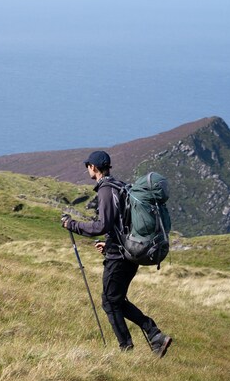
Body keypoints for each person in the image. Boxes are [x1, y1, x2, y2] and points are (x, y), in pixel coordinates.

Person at [61, 150, 173, 357]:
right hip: (129, 252)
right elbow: (123, 223)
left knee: (110, 302)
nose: (87, 169)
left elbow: (101, 225)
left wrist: (72, 225)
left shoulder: (105, 190)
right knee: (117, 300)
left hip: (119, 257)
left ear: (93, 167)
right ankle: (155, 335)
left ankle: (128, 348)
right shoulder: (119, 186)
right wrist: (109, 243)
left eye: (88, 166)